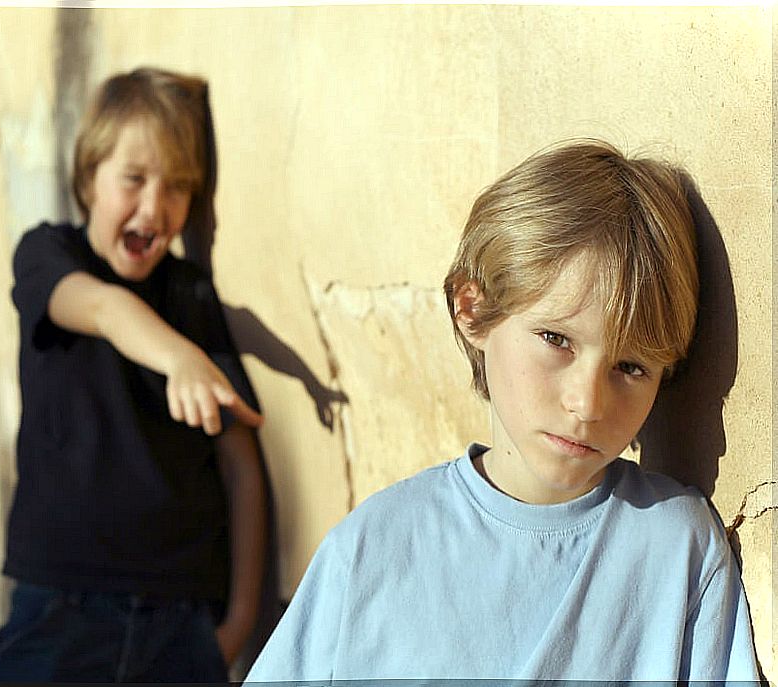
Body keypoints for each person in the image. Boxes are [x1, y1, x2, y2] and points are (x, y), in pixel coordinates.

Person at [245, 140, 761, 683]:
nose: (586, 403)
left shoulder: (679, 550)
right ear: (473, 312)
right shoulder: (373, 548)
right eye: (555, 339)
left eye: (631, 367)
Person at [0, 67, 266, 682]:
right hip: (59, 607)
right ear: (89, 177)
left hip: (180, 623)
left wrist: (239, 622)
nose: (154, 207)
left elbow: (240, 463)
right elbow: (103, 309)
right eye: (134, 179)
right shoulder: (48, 255)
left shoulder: (191, 295)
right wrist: (179, 359)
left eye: (178, 187)